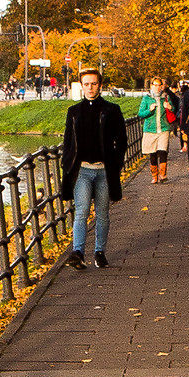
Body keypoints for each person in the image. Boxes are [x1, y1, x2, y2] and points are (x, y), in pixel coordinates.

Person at [59, 67, 126, 266]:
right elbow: (68, 142)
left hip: (104, 170)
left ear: (100, 85)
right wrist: (67, 164)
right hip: (82, 170)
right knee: (82, 211)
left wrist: (116, 163)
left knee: (102, 213)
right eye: (86, 84)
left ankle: (99, 252)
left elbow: (122, 140)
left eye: (94, 84)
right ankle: (78, 252)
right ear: (81, 86)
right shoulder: (74, 112)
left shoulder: (111, 110)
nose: (90, 87)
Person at [137, 76, 171, 183]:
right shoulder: (146, 98)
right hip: (150, 130)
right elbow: (140, 114)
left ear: (162, 86)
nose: (157, 87)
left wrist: (169, 107)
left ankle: (163, 175)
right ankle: (154, 176)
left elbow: (173, 110)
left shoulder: (165, 97)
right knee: (153, 153)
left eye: (159, 85)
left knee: (163, 151)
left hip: (164, 128)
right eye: (155, 85)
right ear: (151, 86)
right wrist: (149, 110)